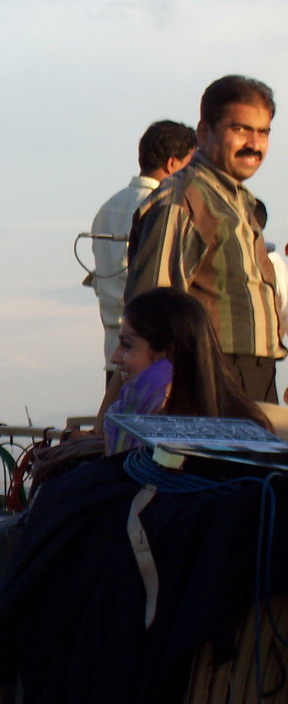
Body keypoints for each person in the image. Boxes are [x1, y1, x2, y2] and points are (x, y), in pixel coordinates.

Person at [124, 75, 283, 403]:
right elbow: (151, 311)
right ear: (205, 132)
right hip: (211, 374)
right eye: (240, 129)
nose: (254, 143)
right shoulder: (183, 199)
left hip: (251, 376)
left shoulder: (237, 200)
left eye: (263, 131)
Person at [89, 121, 196, 383]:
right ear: (173, 164)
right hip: (152, 350)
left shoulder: (108, 208)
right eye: (190, 166)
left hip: (115, 347)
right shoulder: (162, 208)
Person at [105, 287, 270, 453]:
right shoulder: (122, 417)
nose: (115, 357)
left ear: (168, 354)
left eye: (127, 344)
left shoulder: (243, 432)